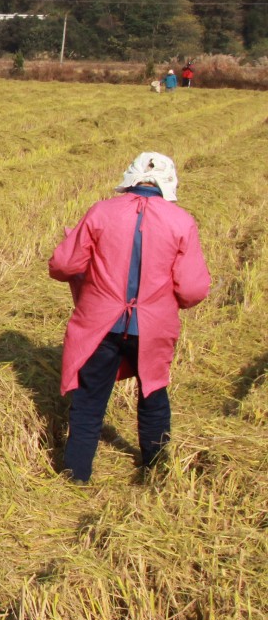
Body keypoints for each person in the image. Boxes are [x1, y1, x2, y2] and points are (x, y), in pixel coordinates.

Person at [48, 152, 210, 483]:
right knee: (153, 396)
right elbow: (193, 289)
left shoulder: (101, 212)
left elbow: (63, 265)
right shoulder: (182, 222)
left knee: (90, 399)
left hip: (100, 323)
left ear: (131, 178)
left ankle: (75, 475)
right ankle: (158, 471)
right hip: (152, 328)